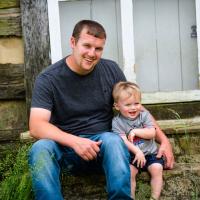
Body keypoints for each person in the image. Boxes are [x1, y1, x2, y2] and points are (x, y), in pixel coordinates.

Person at [28, 19, 174, 200]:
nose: (92, 53)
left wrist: (164, 140)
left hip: (106, 149)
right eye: (87, 46)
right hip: (65, 150)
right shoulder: (48, 79)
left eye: (98, 48)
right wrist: (75, 142)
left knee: (113, 140)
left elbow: (135, 106)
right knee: (40, 148)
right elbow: (36, 126)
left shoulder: (110, 70)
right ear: (73, 42)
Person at [112, 82, 164, 200]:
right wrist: (137, 151)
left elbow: (152, 132)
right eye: (128, 104)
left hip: (151, 154)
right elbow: (123, 140)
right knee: (129, 173)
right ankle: (131, 197)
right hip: (132, 156)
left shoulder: (144, 116)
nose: (133, 107)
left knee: (157, 169)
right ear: (117, 106)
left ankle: (154, 198)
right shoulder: (117, 122)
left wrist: (136, 131)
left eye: (137, 103)